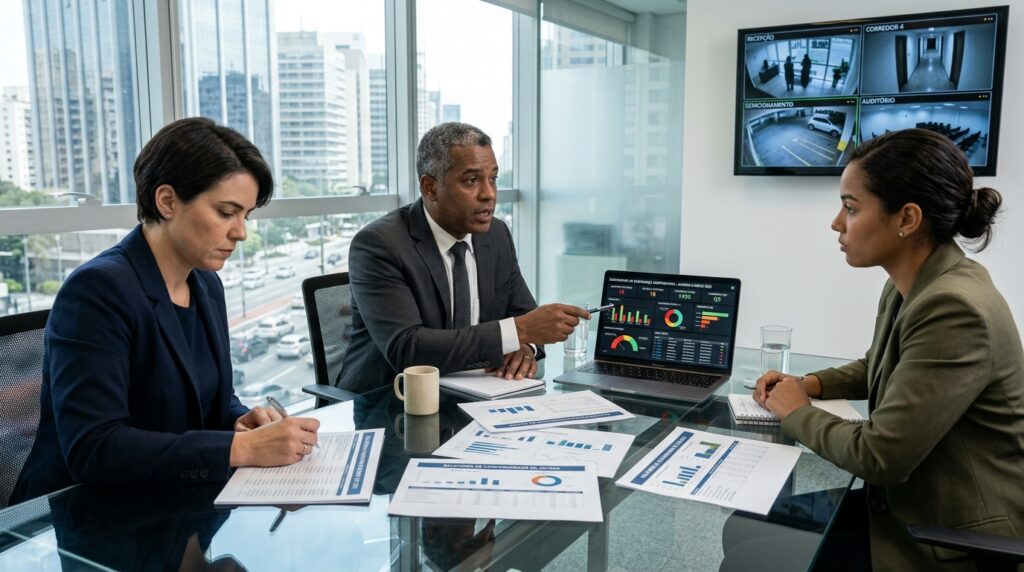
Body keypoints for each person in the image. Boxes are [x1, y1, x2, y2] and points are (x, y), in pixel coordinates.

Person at [10, 117, 320, 504]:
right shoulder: (97, 291)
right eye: (227, 212)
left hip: (177, 501)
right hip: (94, 520)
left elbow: (209, 401)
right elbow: (94, 448)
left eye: (246, 215)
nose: (241, 232)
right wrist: (240, 450)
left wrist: (240, 422)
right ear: (168, 201)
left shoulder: (205, 283)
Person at [754, 128, 1024, 570]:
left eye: (850, 207)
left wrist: (796, 411)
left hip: (954, 537)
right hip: (910, 504)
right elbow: (879, 366)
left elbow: (880, 457)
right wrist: (810, 383)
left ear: (907, 219)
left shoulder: (954, 306)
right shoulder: (916, 282)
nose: (836, 223)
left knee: (758, 557)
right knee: (750, 527)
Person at [340, 122, 589, 394]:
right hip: (389, 404)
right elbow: (408, 349)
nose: (489, 194)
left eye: (493, 178)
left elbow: (525, 316)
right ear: (430, 188)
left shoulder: (496, 234)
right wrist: (517, 333)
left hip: (473, 395)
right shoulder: (381, 245)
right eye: (472, 180)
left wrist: (525, 349)